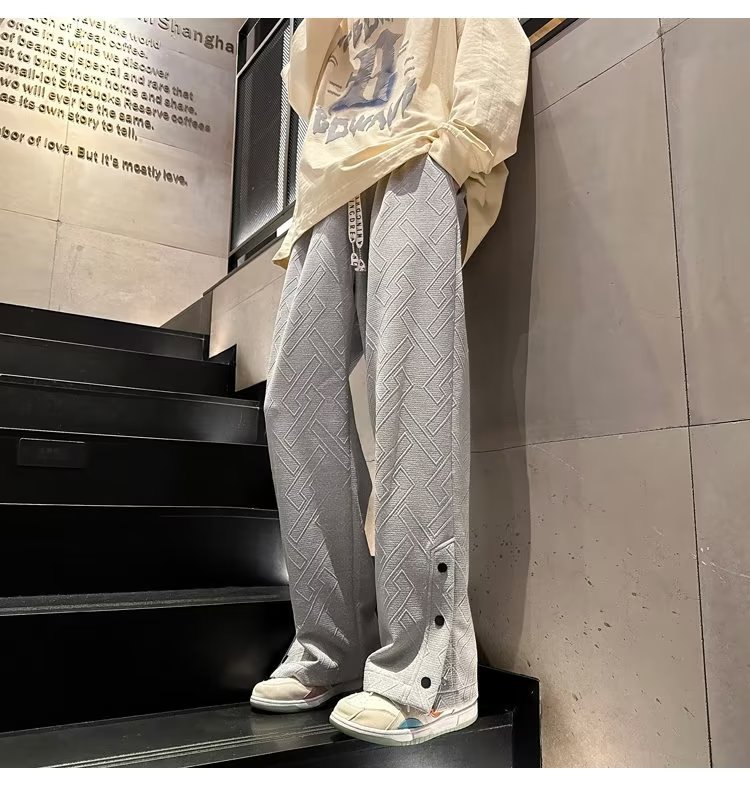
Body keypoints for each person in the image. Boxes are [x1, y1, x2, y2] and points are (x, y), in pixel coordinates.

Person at [251, 18, 529, 747]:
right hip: (326, 186)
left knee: (413, 391)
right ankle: (331, 646)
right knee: (292, 404)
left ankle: (427, 670)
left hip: (415, 148)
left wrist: (459, 148)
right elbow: (302, 79)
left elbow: (494, 35)